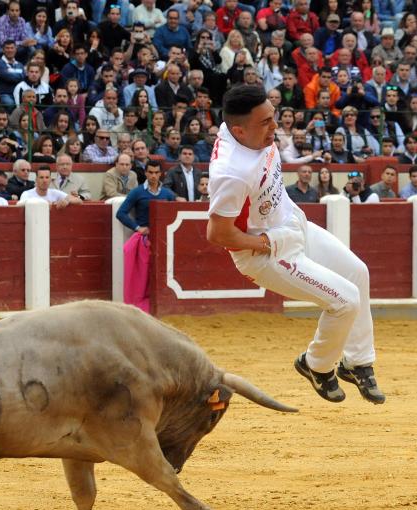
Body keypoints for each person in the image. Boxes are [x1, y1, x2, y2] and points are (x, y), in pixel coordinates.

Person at [206, 85, 385, 404]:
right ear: (238, 130)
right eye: (265, 123)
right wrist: (263, 243)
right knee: (346, 301)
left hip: (291, 221)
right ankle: (316, 365)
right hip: (265, 251)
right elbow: (217, 234)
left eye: (273, 118)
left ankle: (357, 362)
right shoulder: (230, 172)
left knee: (358, 272)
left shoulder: (243, 127)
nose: (275, 127)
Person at [116, 159, 177, 235]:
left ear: (160, 174)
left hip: (164, 235)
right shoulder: (136, 192)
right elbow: (120, 213)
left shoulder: (168, 193)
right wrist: (137, 228)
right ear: (146, 173)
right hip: (144, 237)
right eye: (150, 172)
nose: (153, 175)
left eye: (156, 172)